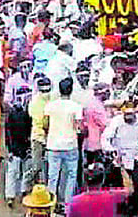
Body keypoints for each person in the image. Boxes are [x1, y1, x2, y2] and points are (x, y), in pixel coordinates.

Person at [43, 77, 84, 212]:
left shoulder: (50, 105)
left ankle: (51, 205)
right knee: (71, 176)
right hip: (70, 144)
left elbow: (45, 124)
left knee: (53, 176)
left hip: (53, 144)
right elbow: (78, 128)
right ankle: (67, 206)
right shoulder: (76, 107)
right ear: (70, 90)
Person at [101, 104, 138, 212]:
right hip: (121, 158)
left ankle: (135, 209)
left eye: (131, 114)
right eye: (126, 114)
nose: (128, 117)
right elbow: (105, 138)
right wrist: (111, 150)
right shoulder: (116, 122)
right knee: (119, 188)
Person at [5, 84, 34, 209]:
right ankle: (11, 196)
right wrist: (10, 150)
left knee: (25, 171)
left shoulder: (28, 113)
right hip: (16, 148)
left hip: (24, 147)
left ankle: (22, 192)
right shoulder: (13, 114)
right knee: (14, 171)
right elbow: (8, 133)